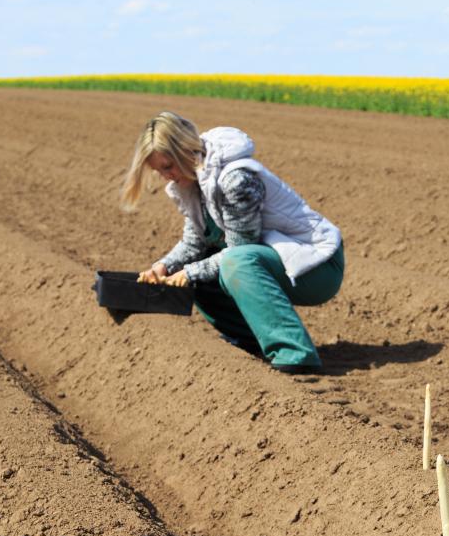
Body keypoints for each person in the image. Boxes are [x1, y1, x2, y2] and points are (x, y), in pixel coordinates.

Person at [119, 111, 345, 372]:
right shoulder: (192, 183)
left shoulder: (236, 179)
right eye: (159, 170)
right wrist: (164, 266)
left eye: (168, 166)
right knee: (202, 268)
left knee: (234, 262)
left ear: (185, 149)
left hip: (316, 266)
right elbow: (195, 243)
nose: (166, 176)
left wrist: (189, 273)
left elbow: (239, 248)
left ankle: (296, 355)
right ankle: (248, 342)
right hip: (277, 260)